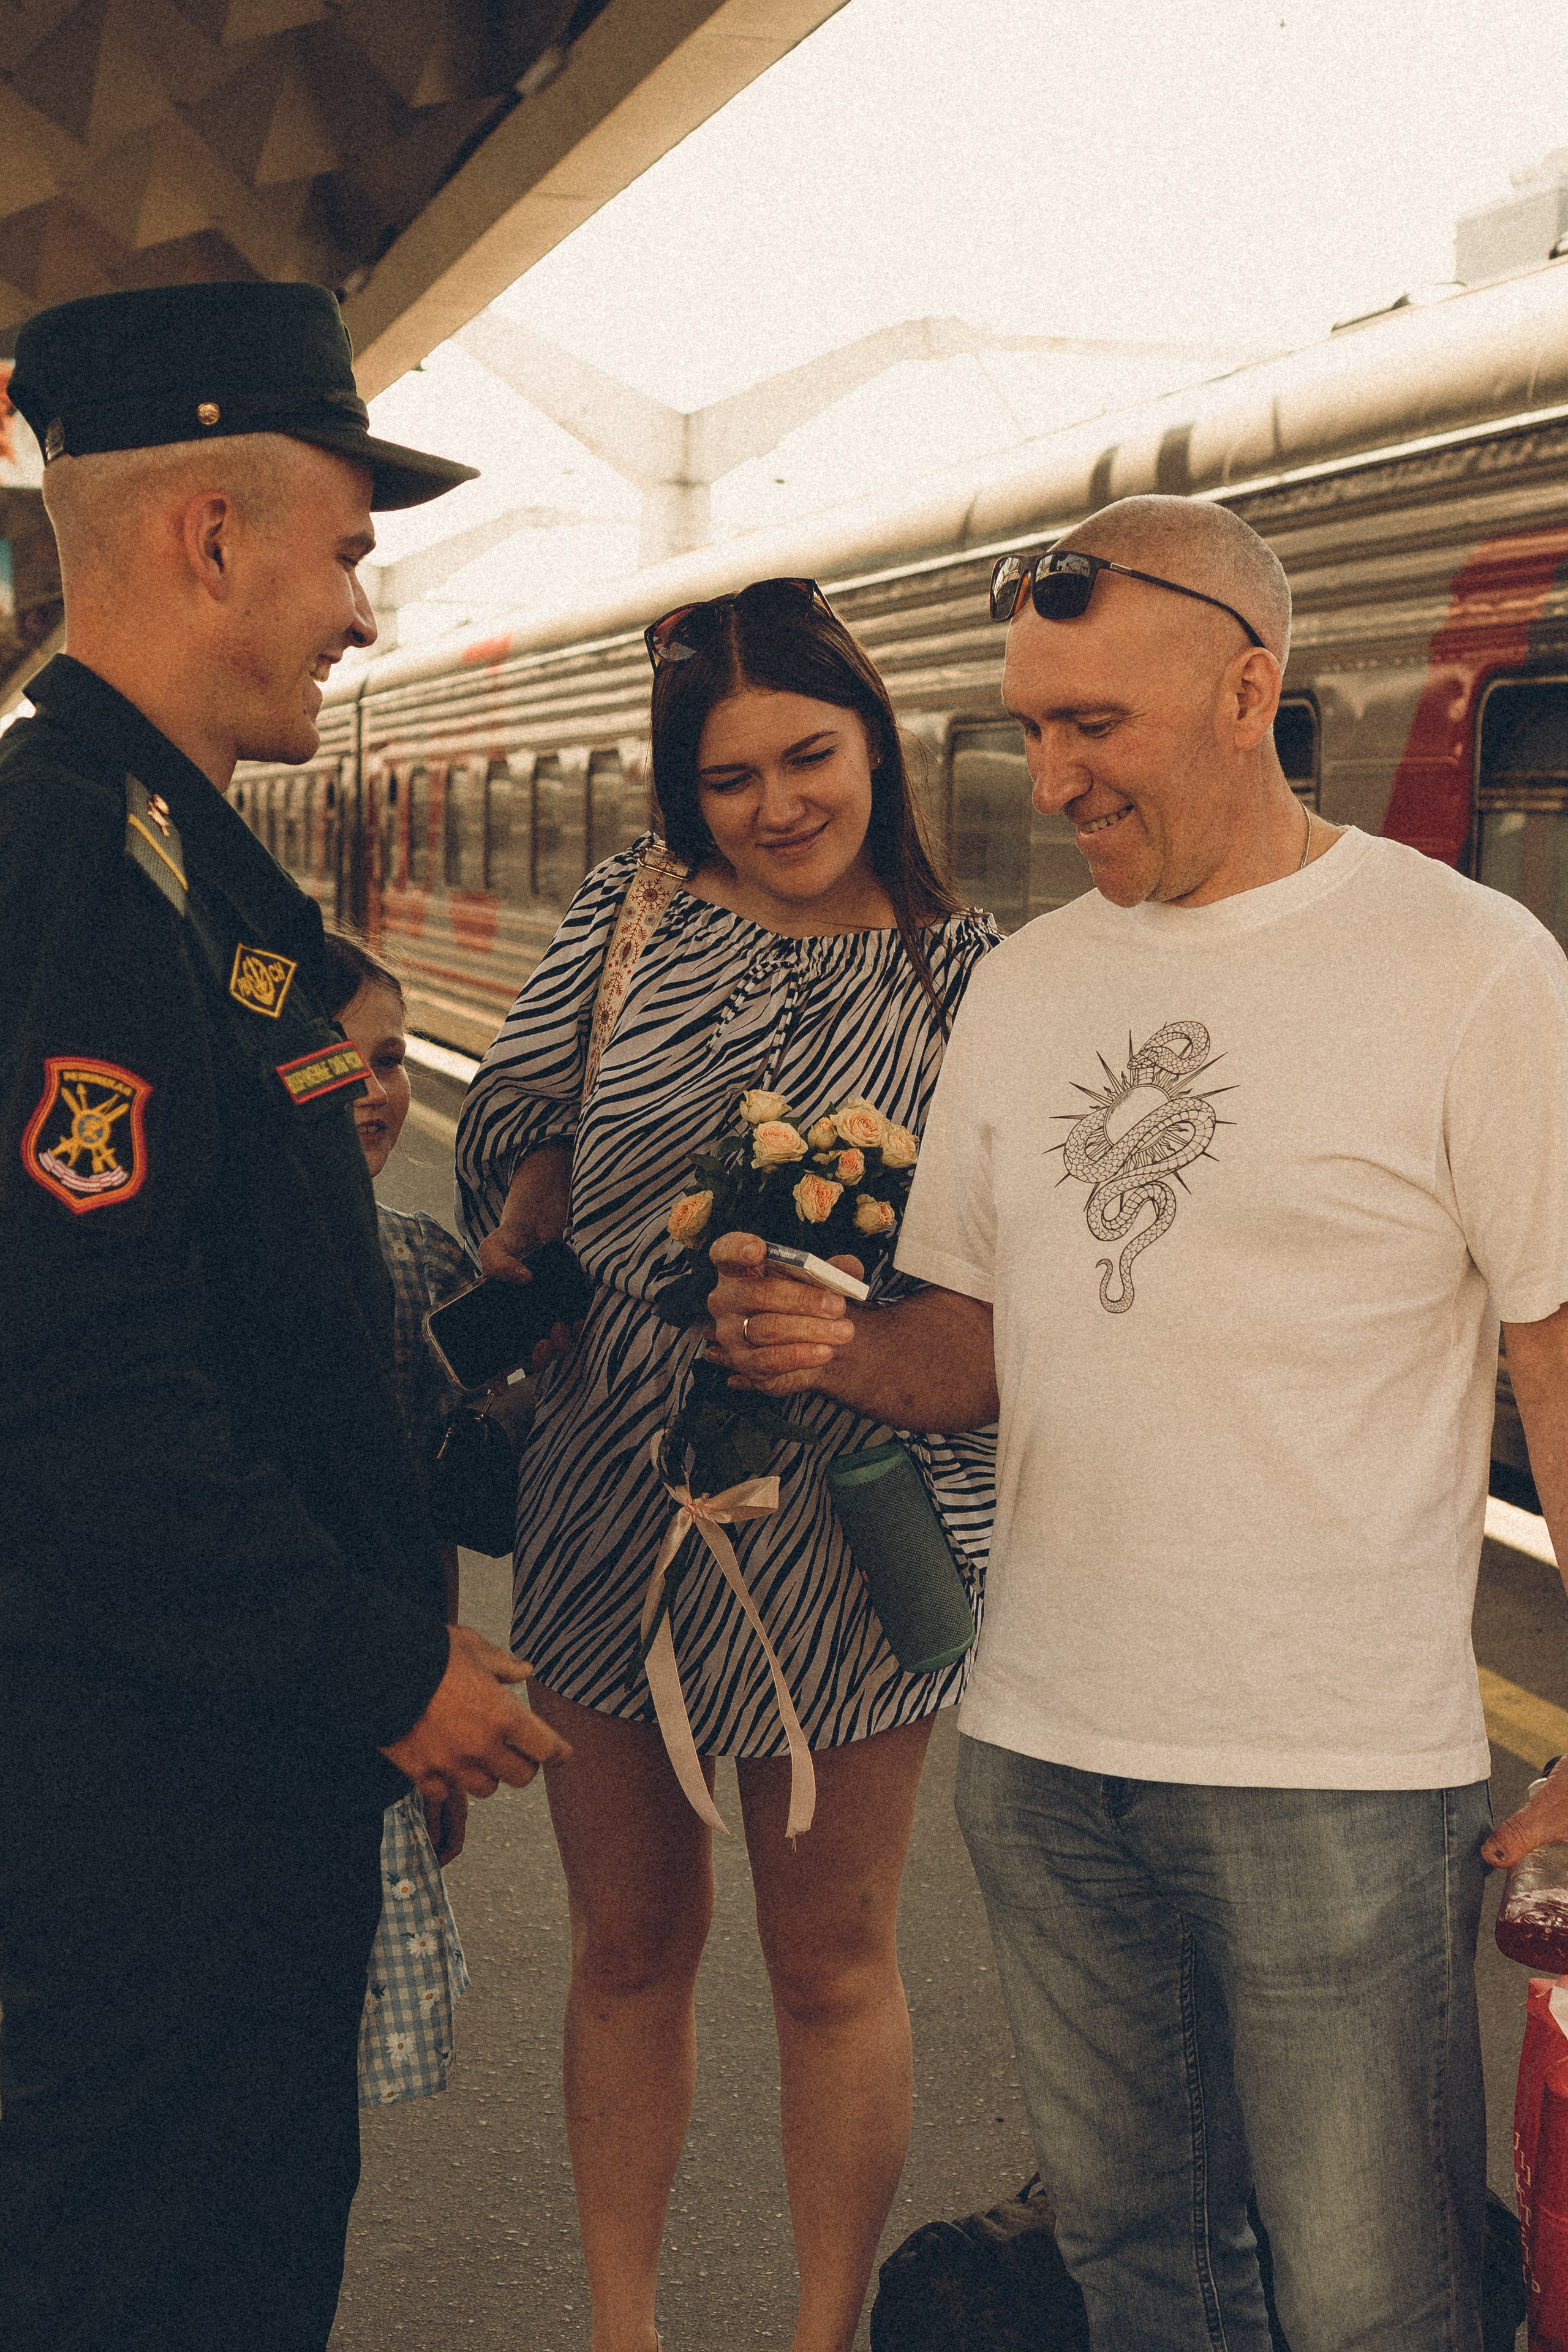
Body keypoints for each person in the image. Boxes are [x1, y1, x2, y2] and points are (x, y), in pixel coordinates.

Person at [705, 496, 1568, 2352]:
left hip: (1336, 1773)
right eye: (1031, 727)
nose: (1052, 778)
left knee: (1372, 2301)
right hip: (1045, 1755)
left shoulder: (1471, 966)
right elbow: (976, 1347)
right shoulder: (1029, 986)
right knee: (1140, 2276)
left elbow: (1559, 1357)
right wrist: (827, 1346)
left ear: (1249, 694)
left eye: (1093, 724)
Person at [0, 281, 568, 2352]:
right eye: (344, 552)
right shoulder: (78, 872)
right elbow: (80, 1402)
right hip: (153, 1817)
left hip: (221, 1783)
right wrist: (382, 1669)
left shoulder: (184, 872)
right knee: (153, 2283)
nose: (361, 611)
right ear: (210, 535)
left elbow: (258, 1325)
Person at [454, 576, 998, 2352]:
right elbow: (511, 1116)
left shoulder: (972, 977)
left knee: (830, 1960)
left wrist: (853, 1321)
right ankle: (623, 2331)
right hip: (612, 1482)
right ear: (684, 793)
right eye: (730, 776)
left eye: (808, 757)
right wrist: (536, 1189)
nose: (776, 805)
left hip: (852, 1503)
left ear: (876, 746)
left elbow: (1004, 1271)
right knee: (627, 1947)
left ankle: (819, 2334)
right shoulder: (629, 910)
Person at [324, 930, 477, 2098]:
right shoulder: (194, 1271)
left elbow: (435, 1511)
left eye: (389, 1061)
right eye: (337, 1066)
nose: (373, 1093)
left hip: (385, 1699)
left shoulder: (418, 1266)